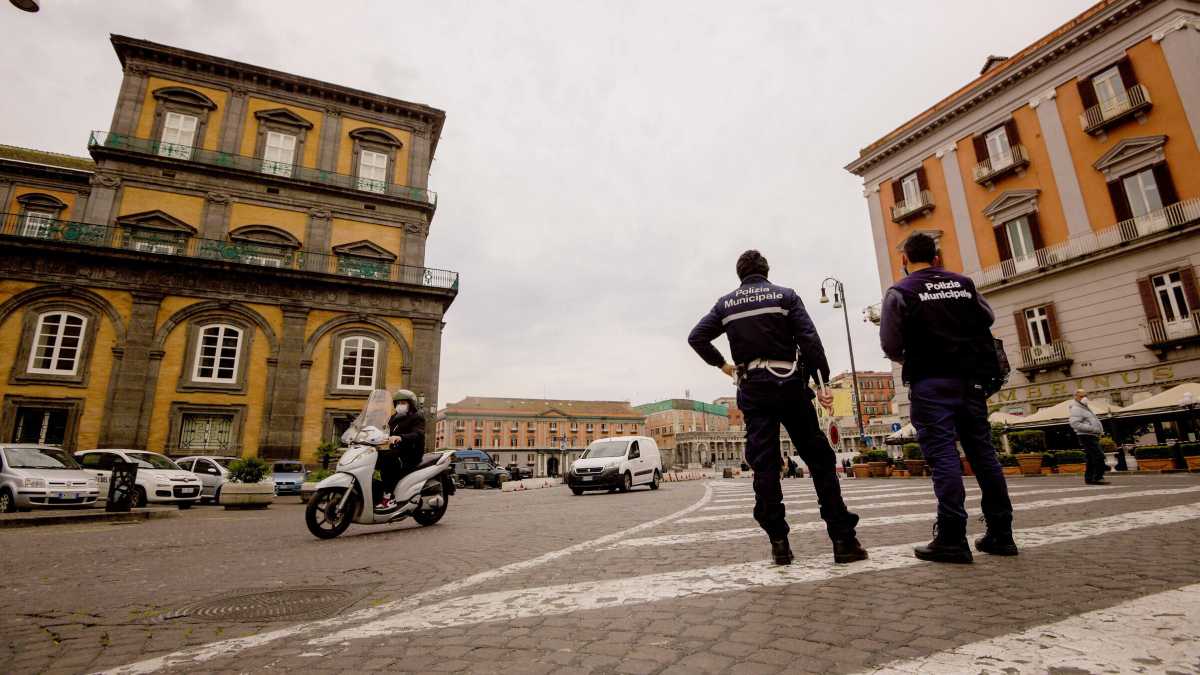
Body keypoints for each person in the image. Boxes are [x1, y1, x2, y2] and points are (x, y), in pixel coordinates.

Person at [689, 249, 867, 566]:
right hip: (790, 386)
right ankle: (842, 540)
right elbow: (810, 340)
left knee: (765, 465)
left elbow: (697, 337)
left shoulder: (725, 304)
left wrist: (724, 366)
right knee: (820, 459)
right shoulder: (785, 296)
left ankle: (779, 543)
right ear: (766, 271)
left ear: (739, 275)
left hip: (753, 388)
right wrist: (822, 384)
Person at [880, 233, 1017, 563]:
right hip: (970, 382)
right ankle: (1002, 533)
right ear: (937, 257)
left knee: (943, 458)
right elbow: (987, 318)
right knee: (984, 455)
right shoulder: (965, 285)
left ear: (904, 260)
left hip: (930, 383)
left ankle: (953, 537)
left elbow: (889, 343)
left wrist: (914, 352)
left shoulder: (901, 291)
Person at [375, 389, 426, 508]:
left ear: (411, 404)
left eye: (403, 403)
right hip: (397, 451)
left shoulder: (417, 417)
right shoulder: (394, 418)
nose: (400, 405)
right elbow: (385, 430)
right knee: (374, 457)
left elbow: (418, 434)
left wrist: (401, 437)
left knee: (388, 461)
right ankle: (377, 491)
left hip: (411, 453)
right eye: (398, 403)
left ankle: (389, 497)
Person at [1069, 389, 1110, 485]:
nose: (1084, 398)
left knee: (1091, 458)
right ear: (1076, 397)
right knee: (1098, 456)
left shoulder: (1084, 407)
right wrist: (1093, 429)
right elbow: (1074, 424)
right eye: (1081, 396)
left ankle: (1090, 478)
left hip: (1090, 435)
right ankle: (1097, 477)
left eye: (1085, 395)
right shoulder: (1076, 408)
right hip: (1086, 436)